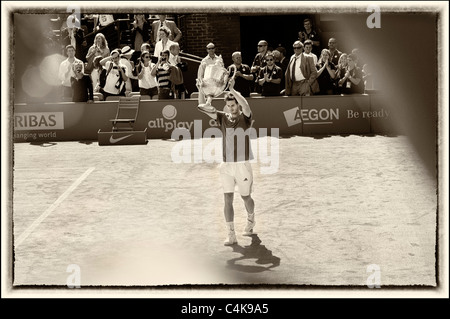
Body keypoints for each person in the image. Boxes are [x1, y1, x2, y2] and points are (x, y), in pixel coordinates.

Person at [197, 78, 256, 246]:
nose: (231, 108)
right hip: (226, 166)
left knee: (246, 198)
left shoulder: (245, 118)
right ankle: (231, 234)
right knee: (227, 199)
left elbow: (246, 106)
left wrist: (232, 90)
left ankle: (251, 220)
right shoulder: (222, 118)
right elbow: (201, 107)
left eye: (233, 105)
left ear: (237, 105)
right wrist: (204, 91)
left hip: (243, 165)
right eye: (229, 106)